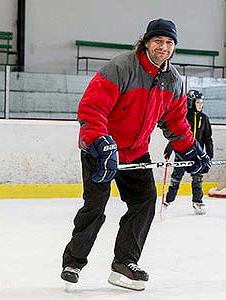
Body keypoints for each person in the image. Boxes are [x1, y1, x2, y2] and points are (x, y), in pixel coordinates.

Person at [60, 18, 211, 291]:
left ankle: (124, 263)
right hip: (102, 151)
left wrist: (191, 149)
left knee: (145, 201)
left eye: (169, 43)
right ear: (146, 42)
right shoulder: (121, 67)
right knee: (95, 206)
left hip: (135, 152)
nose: (163, 47)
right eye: (158, 42)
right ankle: (73, 262)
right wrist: (100, 143)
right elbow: (92, 109)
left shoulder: (173, 81)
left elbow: (175, 121)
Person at [163, 90, 214, 215]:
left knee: (197, 179)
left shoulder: (204, 118)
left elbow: (208, 138)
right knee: (176, 178)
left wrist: (209, 155)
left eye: (202, 102)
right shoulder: (184, 117)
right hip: (182, 154)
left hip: (198, 155)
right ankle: (168, 201)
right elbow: (177, 135)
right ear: (190, 102)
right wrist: (169, 148)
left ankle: (198, 202)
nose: (200, 105)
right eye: (197, 102)